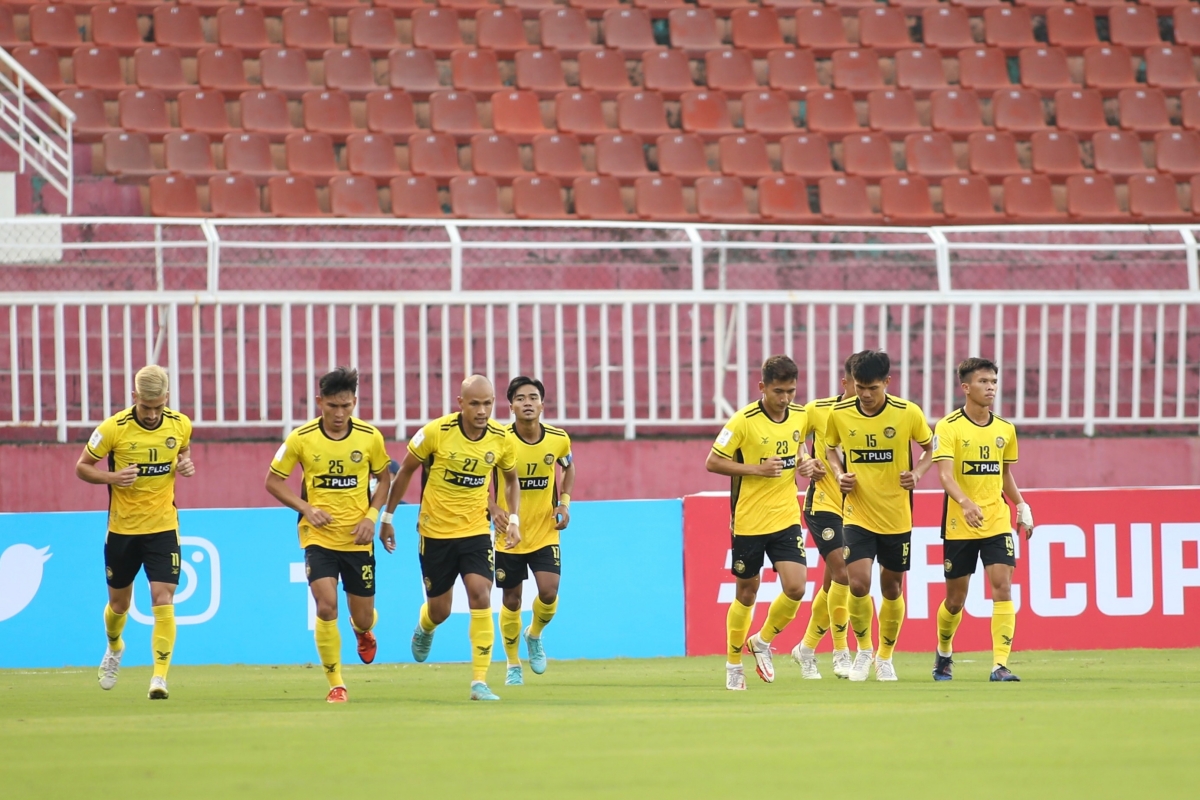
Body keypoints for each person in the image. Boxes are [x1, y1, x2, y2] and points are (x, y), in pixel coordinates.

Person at [382, 375, 521, 701]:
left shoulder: (501, 438)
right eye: (475, 403)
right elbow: (404, 472)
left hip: (475, 531)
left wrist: (513, 519)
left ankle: (479, 681)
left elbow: (511, 481)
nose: (482, 410)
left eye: (488, 403)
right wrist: (388, 518)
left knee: (480, 593)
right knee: (440, 610)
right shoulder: (436, 433)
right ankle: (425, 626)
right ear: (460, 404)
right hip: (435, 533)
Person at [265, 367, 392, 704]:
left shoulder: (370, 437)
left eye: (346, 406)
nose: (339, 414)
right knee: (325, 605)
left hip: (357, 537)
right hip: (317, 536)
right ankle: (336, 682)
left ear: (355, 403)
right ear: (320, 402)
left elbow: (385, 479)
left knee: (363, 616)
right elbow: (273, 481)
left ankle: (363, 630)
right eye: (332, 406)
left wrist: (371, 517)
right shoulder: (301, 438)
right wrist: (306, 508)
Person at [705, 355, 824, 691]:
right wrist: (757, 469)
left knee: (797, 587)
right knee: (747, 591)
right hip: (749, 520)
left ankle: (762, 640)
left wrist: (805, 463)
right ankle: (733, 664)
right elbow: (713, 461)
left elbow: (798, 447)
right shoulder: (744, 420)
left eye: (790, 391)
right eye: (778, 391)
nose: (785, 398)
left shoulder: (800, 416)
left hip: (786, 516)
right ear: (762, 387)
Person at [75, 365, 194, 700]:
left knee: (163, 598)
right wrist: (113, 478)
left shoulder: (181, 424)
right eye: (146, 407)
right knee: (119, 605)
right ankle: (114, 647)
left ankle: (159, 678)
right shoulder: (113, 428)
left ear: (166, 399)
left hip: (163, 528)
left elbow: (183, 452)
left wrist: (185, 463)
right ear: (134, 399)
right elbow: (82, 467)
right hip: (123, 531)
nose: (153, 414)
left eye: (158, 406)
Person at [824, 350, 934, 682]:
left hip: (896, 515)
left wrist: (917, 474)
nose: (867, 395)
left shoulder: (907, 413)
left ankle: (886, 656)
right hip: (857, 512)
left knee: (892, 588)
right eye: (860, 387)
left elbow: (931, 449)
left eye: (873, 387)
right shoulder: (840, 413)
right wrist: (839, 472)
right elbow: (829, 448)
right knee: (857, 584)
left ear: (887, 382)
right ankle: (865, 650)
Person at [931, 358, 1034, 683]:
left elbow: (1003, 474)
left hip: (996, 520)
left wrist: (1020, 504)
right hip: (960, 522)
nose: (990, 387)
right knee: (955, 599)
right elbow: (945, 476)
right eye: (983, 382)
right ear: (966, 387)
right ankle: (944, 651)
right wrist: (964, 503)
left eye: (993, 381)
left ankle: (999, 665)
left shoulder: (1005, 429)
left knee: (1003, 587)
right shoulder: (948, 426)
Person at [490, 376, 576, 686]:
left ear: (542, 404)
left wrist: (564, 503)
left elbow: (568, 467)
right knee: (511, 600)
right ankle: (513, 664)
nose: (527, 402)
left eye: (533, 397)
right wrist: (493, 508)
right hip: (509, 534)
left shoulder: (558, 439)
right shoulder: (498, 439)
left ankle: (534, 634)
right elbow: (482, 476)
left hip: (544, 530)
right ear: (510, 405)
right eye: (521, 398)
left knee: (549, 592)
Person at [791, 355, 857, 680]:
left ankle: (805, 649)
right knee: (844, 573)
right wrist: (806, 460)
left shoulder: (878, 418)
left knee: (832, 582)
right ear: (845, 383)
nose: (865, 395)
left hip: (859, 511)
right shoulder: (817, 409)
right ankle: (841, 652)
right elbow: (793, 437)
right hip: (823, 505)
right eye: (858, 386)